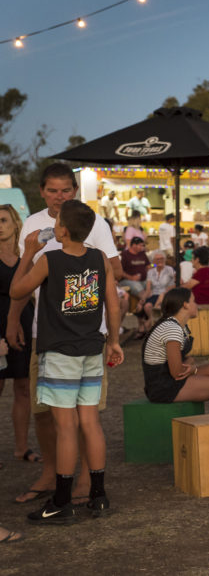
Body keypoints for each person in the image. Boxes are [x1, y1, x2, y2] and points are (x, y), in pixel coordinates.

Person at [6, 165, 124, 507]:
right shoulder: (97, 256)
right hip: (88, 343)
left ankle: (65, 497)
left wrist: (29, 253)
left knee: (67, 423)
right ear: (43, 192)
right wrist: (115, 340)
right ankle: (97, 496)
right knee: (85, 419)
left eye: (65, 191)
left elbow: (17, 290)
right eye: (53, 191)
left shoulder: (52, 258)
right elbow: (113, 305)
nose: (59, 199)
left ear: (64, 230)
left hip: (58, 347)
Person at [142, 287, 209, 412]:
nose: (197, 305)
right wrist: (193, 369)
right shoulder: (171, 328)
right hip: (163, 387)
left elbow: (182, 361)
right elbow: (177, 372)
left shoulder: (177, 326)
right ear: (185, 305)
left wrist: (189, 362)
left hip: (169, 380)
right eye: (194, 301)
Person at [0, 204, 38, 464]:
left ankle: (22, 448)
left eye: (3, 220)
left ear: (15, 223)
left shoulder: (27, 255)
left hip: (24, 320)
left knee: (23, 386)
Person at [137, 250, 175, 336]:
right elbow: (148, 288)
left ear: (165, 259)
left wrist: (169, 288)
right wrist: (143, 298)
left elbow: (176, 282)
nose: (160, 261)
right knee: (146, 306)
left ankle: (150, 324)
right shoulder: (151, 271)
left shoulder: (169, 269)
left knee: (155, 306)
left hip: (166, 294)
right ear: (154, 261)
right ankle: (153, 325)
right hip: (155, 294)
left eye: (162, 259)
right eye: (157, 259)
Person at [118, 236, 149, 301]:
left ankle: (144, 306)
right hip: (128, 280)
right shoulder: (124, 255)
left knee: (152, 286)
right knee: (139, 288)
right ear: (134, 245)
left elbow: (149, 264)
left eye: (143, 246)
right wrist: (131, 277)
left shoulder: (142, 253)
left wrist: (154, 264)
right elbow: (119, 271)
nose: (142, 247)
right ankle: (145, 305)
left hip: (143, 280)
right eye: (140, 245)